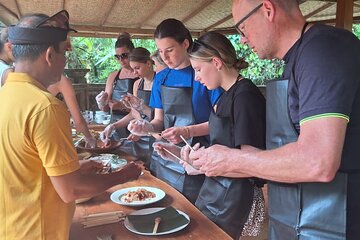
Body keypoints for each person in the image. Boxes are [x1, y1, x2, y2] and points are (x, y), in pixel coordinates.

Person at [189, 0, 360, 239]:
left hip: (337, 223)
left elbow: (318, 162)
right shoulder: (295, 61)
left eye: (242, 28)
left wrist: (232, 160)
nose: (243, 40)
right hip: (295, 216)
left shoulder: (323, 49)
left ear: (267, 10)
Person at [0, 10, 141, 239]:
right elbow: (71, 190)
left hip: (12, 226)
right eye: (64, 52)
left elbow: (25, 166)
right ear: (49, 55)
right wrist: (125, 174)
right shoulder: (45, 107)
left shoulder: (5, 95)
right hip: (39, 230)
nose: (65, 61)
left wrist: (76, 167)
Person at [153, 31, 266, 238]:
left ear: (216, 62)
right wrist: (180, 155)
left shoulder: (245, 97)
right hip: (217, 191)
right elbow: (221, 153)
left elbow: (252, 165)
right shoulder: (224, 97)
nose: (196, 77)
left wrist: (203, 164)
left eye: (197, 69)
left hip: (236, 198)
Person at [127, 18, 222, 203]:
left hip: (195, 157)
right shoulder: (161, 78)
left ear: (185, 43)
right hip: (164, 156)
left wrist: (187, 131)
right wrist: (145, 127)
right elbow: (159, 122)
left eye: (169, 50)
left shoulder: (205, 74)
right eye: (161, 52)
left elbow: (220, 124)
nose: (164, 57)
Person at [102, 47, 155, 165]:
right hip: (138, 136)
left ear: (148, 64)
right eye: (133, 69)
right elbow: (133, 114)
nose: (135, 73)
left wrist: (143, 130)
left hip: (155, 136)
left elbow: (161, 117)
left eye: (137, 68)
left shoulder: (159, 82)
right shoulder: (137, 84)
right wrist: (113, 126)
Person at [95, 32, 139, 139]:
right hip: (114, 127)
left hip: (136, 126)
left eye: (124, 56)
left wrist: (122, 106)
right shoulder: (113, 76)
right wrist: (101, 102)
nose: (121, 60)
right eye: (117, 57)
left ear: (132, 53)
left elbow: (145, 110)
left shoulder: (140, 76)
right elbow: (105, 108)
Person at [48, 75, 97, 148]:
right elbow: (79, 122)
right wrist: (89, 138)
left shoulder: (29, 80)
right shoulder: (61, 81)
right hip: (55, 137)